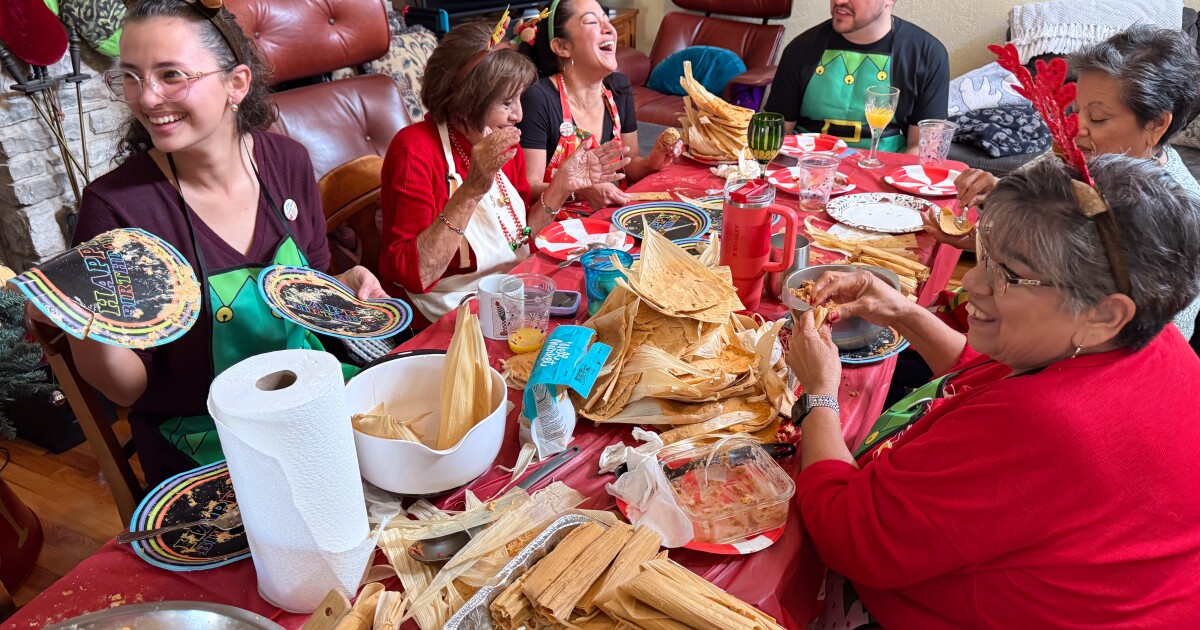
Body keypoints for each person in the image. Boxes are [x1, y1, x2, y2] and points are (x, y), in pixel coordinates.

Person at [786, 155, 1200, 628]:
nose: (975, 285)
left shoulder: (1050, 424)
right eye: (983, 254)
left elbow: (850, 538)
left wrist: (818, 394)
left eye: (1007, 274)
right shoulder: (1145, 339)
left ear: (1105, 314)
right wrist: (899, 310)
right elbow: (989, 373)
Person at [54, 0, 387, 486]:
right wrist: (90, 329)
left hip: (311, 398)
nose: (146, 98)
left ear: (236, 84)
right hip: (207, 446)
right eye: (130, 76)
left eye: (170, 75)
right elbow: (127, 387)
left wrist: (345, 283)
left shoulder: (287, 162)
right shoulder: (117, 211)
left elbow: (308, 288)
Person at [931, 26, 1200, 339]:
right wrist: (992, 210)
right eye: (1075, 109)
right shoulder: (1071, 154)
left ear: (1156, 124)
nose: (1076, 127)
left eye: (1097, 118)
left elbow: (1163, 343)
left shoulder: (1174, 217)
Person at [379, 21, 628, 326]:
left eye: (520, 99)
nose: (519, 115)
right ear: (465, 102)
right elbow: (419, 274)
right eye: (507, 103)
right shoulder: (414, 149)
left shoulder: (503, 143)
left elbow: (518, 242)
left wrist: (560, 187)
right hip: (441, 316)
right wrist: (472, 189)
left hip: (507, 293)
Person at [518, 0, 682, 212]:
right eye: (592, 22)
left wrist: (652, 162)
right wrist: (579, 189)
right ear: (562, 46)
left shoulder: (618, 87)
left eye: (607, 20)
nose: (610, 29)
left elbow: (628, 168)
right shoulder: (538, 98)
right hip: (556, 231)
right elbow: (527, 188)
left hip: (612, 220)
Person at [765, 0, 949, 154]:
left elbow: (923, 148)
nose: (838, 1)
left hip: (884, 178)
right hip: (804, 171)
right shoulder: (800, 49)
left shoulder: (927, 55)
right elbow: (775, 134)